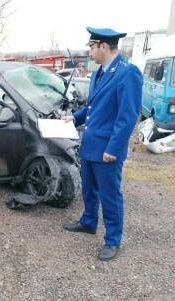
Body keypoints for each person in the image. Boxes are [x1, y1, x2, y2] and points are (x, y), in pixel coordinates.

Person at [62, 27, 143, 261]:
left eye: (92, 46)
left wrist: (114, 149)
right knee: (89, 189)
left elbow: (127, 117)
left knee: (110, 196)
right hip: (90, 145)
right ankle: (88, 222)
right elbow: (92, 107)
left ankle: (113, 240)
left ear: (104, 47)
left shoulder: (128, 73)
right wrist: (74, 118)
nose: (89, 51)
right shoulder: (99, 73)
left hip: (107, 150)